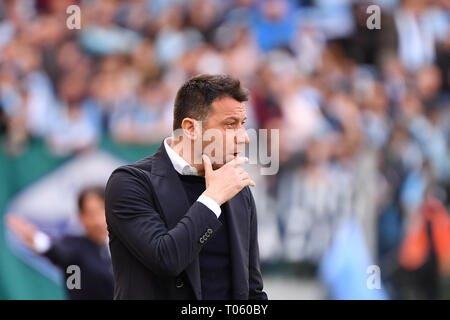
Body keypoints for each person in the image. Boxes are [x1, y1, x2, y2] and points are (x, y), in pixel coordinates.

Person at [105, 74, 268, 300]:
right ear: (191, 128)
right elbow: (166, 259)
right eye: (230, 125)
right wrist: (212, 199)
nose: (244, 138)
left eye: (243, 125)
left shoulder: (237, 189)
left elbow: (252, 290)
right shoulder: (130, 183)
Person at [6, 186, 114, 300]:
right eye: (91, 213)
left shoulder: (120, 247)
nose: (98, 221)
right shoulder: (75, 248)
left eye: (102, 211)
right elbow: (60, 253)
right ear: (81, 217)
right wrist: (37, 240)